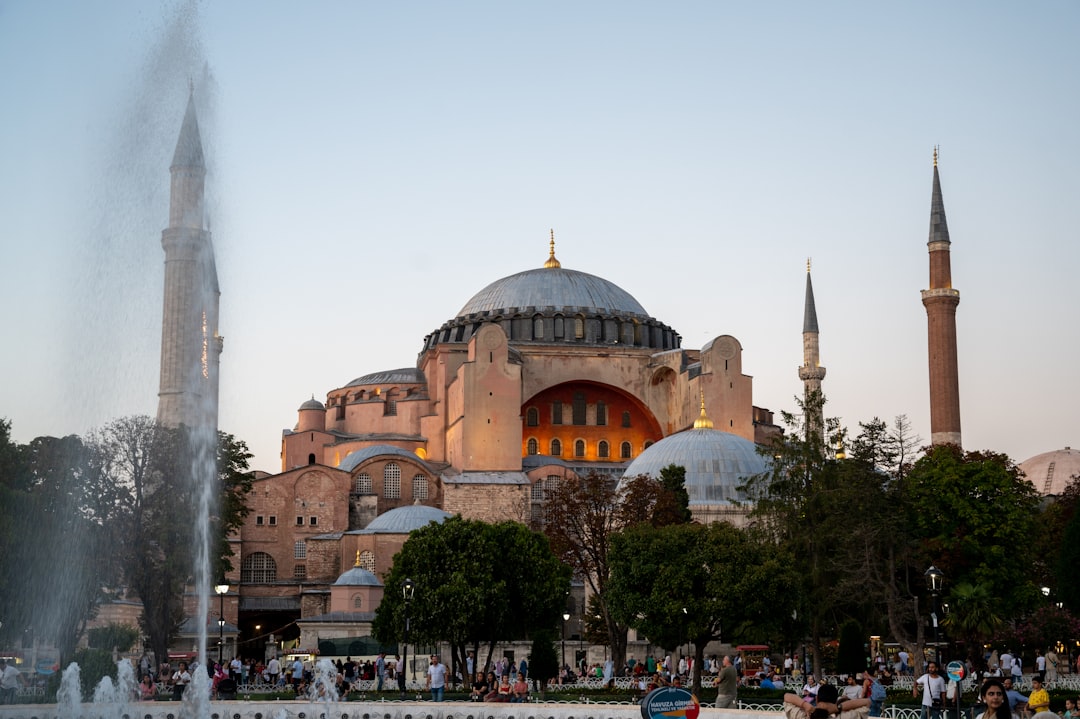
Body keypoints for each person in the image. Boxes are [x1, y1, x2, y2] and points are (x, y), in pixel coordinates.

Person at [783, 683, 871, 719]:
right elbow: (866, 702)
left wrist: (805, 705)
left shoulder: (801, 716)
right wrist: (838, 708)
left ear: (817, 699)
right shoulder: (844, 717)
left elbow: (787, 696)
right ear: (835, 700)